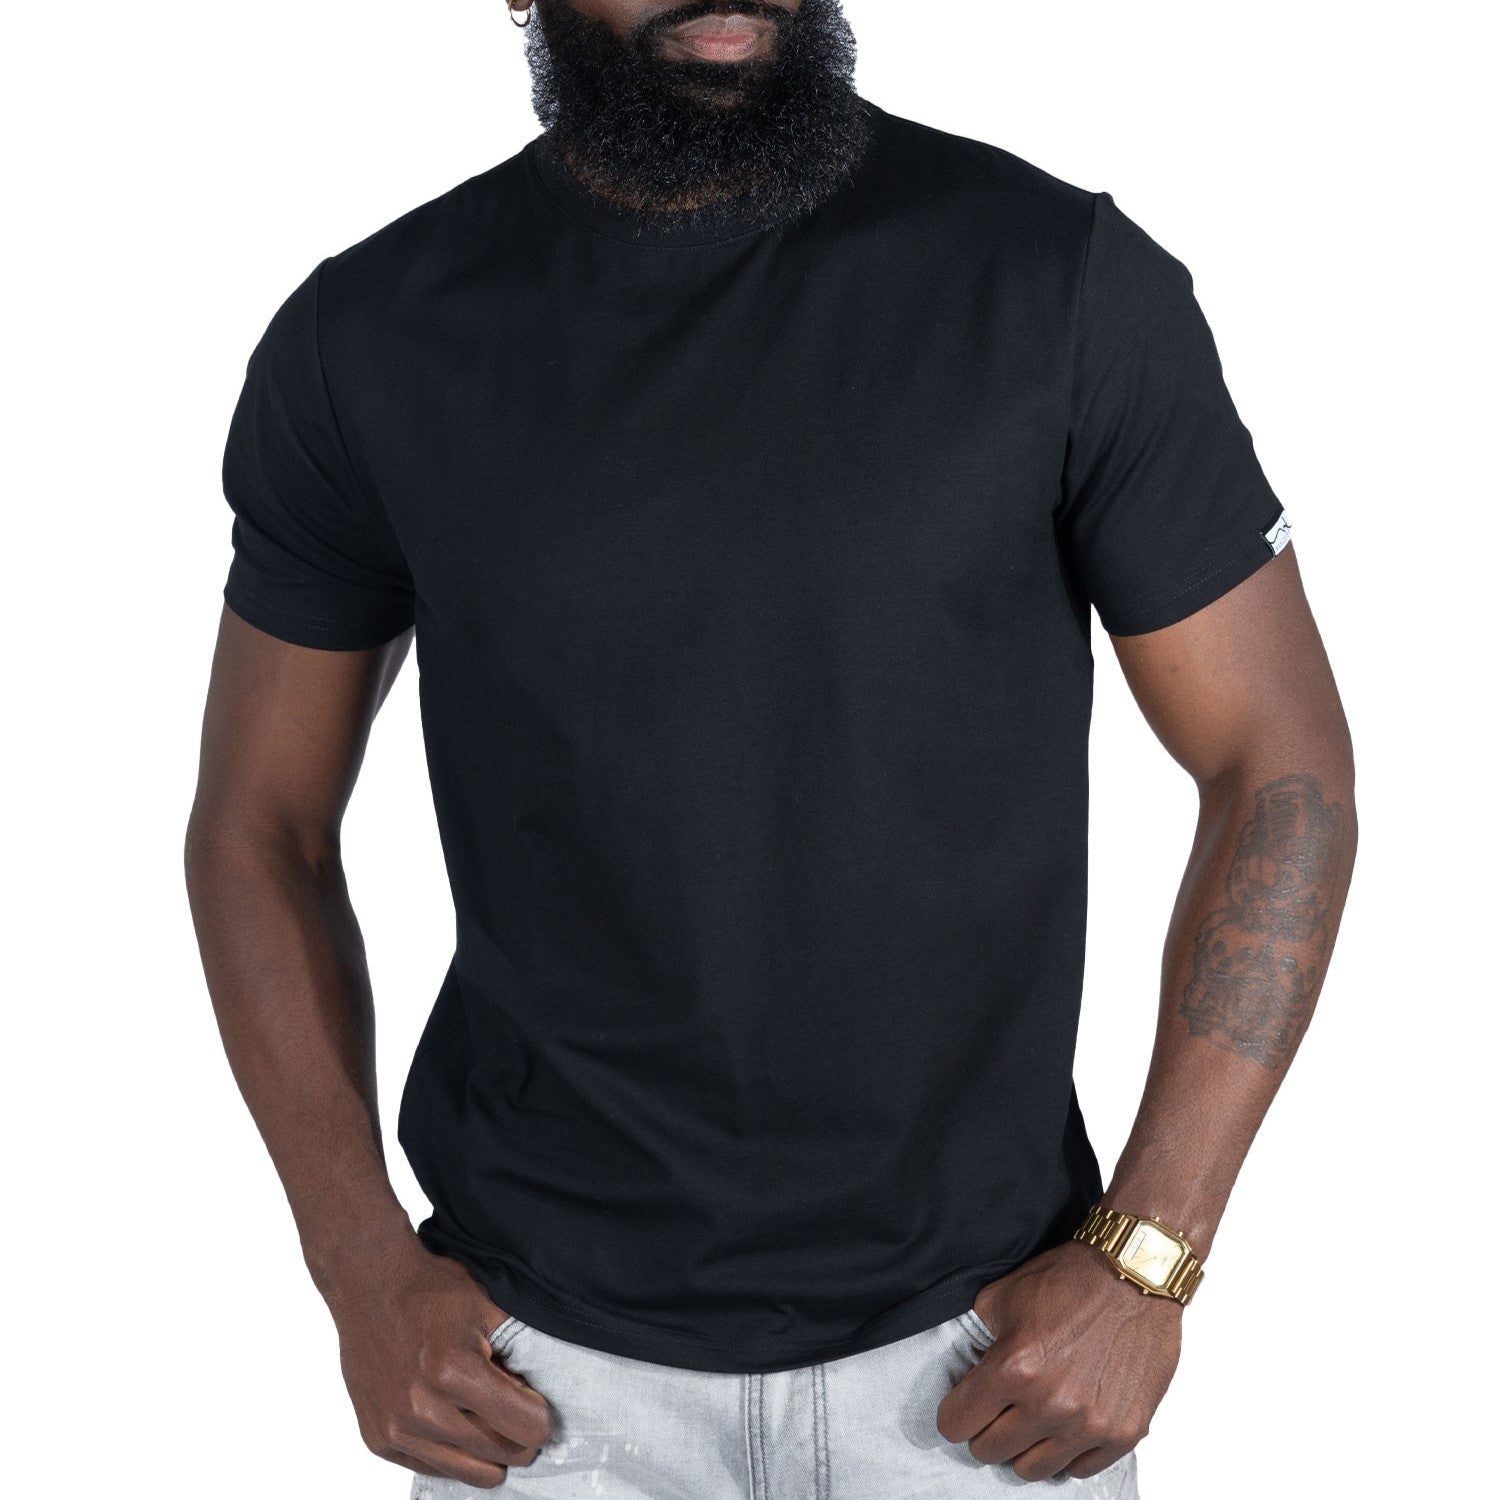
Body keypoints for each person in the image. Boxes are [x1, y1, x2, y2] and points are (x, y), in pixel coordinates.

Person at [183, 2, 1358, 1495]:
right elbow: (259, 827)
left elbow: (1279, 766)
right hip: (535, 1388)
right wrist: (357, 1266)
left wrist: (1150, 1256)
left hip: (992, 1369)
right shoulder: (371, 337)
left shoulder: (1054, 280)